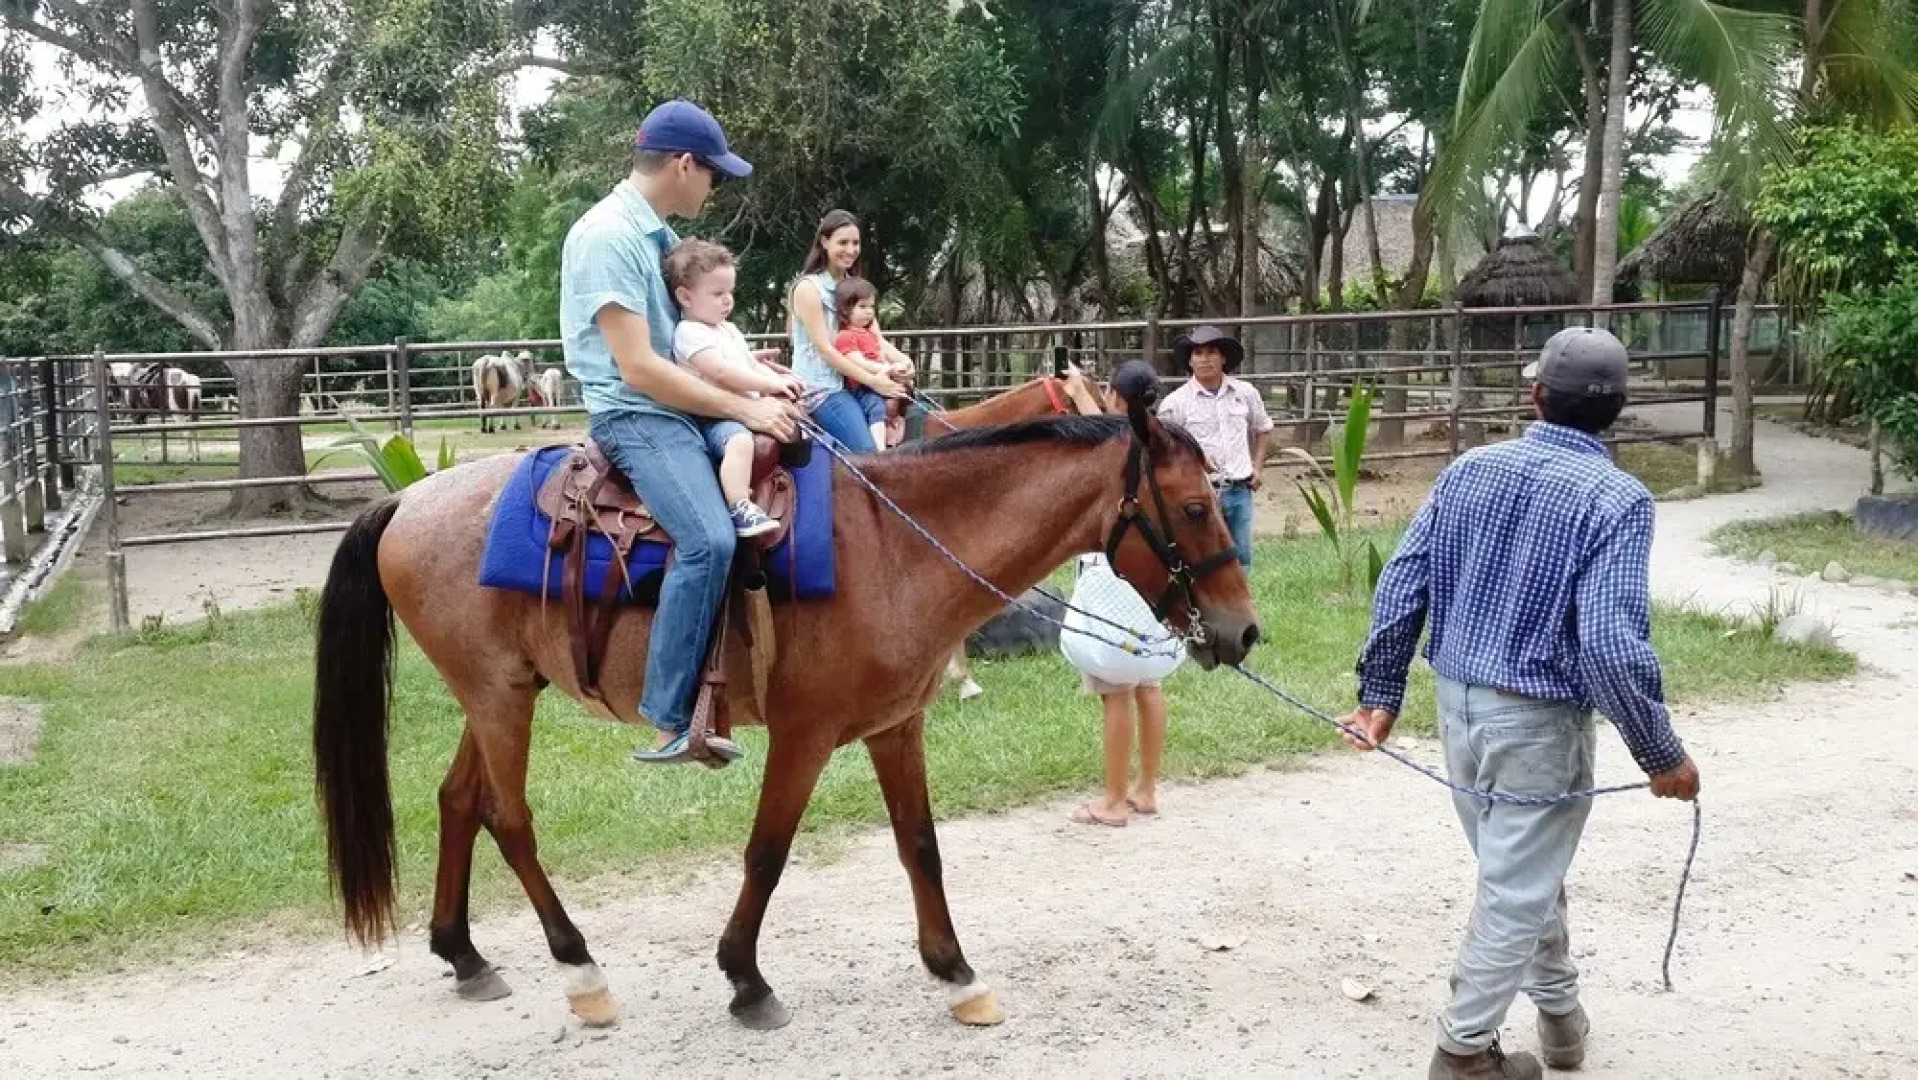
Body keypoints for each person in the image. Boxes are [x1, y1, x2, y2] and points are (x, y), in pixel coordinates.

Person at [1341, 326, 1702, 1080]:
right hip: (1538, 721)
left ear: (1535, 395)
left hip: (1459, 708)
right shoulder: (1620, 498)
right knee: (1516, 886)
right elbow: (1607, 643)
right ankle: (1463, 1053)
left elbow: (1402, 583)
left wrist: (1380, 696)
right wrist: (1660, 753)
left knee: (1521, 873)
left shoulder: (1469, 469)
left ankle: (1562, 1019)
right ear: (1617, 413)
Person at [558, 98, 802, 768]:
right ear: (683, 164)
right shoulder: (608, 238)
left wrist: (747, 372)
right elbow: (637, 367)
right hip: (637, 416)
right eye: (713, 174)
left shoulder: (660, 240)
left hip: (678, 404)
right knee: (709, 537)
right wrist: (747, 408)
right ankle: (668, 713)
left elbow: (683, 345)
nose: (714, 187)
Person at [1061, 370, 1184, 828]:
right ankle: (1145, 788)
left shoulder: (1121, 446)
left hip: (1113, 584)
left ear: (1115, 395)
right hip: (1150, 583)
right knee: (1149, 684)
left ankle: (1112, 800)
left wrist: (1076, 393)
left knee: (1116, 691)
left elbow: (1109, 434)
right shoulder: (1165, 441)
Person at [665, 238, 806, 538]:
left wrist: (779, 379)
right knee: (740, 442)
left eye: (729, 292)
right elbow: (722, 371)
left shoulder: (727, 329)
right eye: (717, 293)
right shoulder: (689, 333)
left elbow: (747, 365)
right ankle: (739, 505)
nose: (727, 300)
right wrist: (769, 383)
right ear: (685, 297)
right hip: (713, 415)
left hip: (740, 408)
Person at [785, 209, 909, 452]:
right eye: (843, 242)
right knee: (869, 455)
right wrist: (875, 380)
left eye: (855, 243)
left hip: (855, 383)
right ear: (824, 242)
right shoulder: (808, 289)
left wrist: (904, 362)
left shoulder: (854, 286)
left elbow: (875, 339)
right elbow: (826, 351)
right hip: (824, 389)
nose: (850, 250)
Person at [1154, 325, 1271, 568]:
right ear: (1190, 360)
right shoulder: (1175, 404)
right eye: (1198, 353)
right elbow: (1163, 448)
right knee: (1202, 556)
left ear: (1223, 358)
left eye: (1211, 352)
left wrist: (1257, 468)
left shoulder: (1245, 393)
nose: (1205, 359)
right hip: (1199, 495)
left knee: (1242, 555)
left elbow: (1262, 428)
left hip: (1240, 488)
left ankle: (1239, 604)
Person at [831, 275, 913, 449]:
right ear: (845, 310)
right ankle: (879, 448)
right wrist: (887, 369)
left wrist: (900, 368)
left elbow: (880, 354)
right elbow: (858, 362)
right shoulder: (845, 336)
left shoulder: (869, 334)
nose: (869, 311)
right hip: (863, 386)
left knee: (907, 392)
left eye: (871, 306)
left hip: (880, 379)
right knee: (875, 406)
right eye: (862, 306)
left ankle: (895, 427)